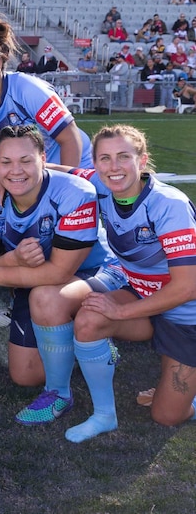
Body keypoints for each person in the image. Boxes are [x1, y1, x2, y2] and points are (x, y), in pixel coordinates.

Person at [0, 124, 125, 424]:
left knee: (46, 297)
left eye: (26, 160)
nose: (15, 171)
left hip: (99, 272)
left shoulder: (74, 193)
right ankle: (84, 342)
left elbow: (61, 271)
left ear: (43, 158)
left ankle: (59, 393)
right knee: (25, 375)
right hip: (38, 278)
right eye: (5, 162)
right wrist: (11, 258)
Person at [59, 125, 196, 442]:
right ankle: (104, 416)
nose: (113, 167)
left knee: (166, 415)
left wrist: (121, 312)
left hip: (186, 313)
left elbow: (187, 288)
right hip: (144, 298)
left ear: (142, 160)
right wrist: (5, 174)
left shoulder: (169, 205)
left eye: (123, 157)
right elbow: (60, 169)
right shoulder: (100, 183)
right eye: (104, 158)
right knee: (90, 318)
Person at [0, 16, 92, 168]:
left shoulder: (28, 90)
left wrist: (66, 183)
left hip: (79, 167)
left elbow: (70, 138)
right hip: (32, 176)